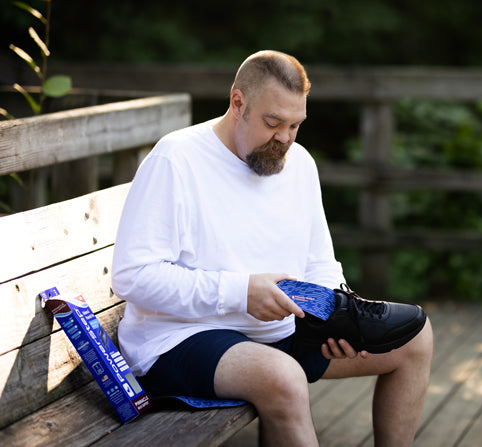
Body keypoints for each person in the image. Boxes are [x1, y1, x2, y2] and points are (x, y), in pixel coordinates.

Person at [112, 50, 433, 447]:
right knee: (282, 377)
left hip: (279, 333)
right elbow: (132, 275)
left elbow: (320, 262)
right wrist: (240, 292)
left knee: (415, 339)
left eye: (296, 125)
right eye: (273, 122)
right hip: (180, 338)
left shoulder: (300, 163)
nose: (285, 138)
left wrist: (329, 315)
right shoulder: (176, 159)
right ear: (238, 102)